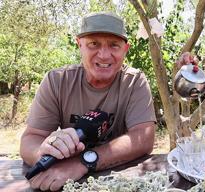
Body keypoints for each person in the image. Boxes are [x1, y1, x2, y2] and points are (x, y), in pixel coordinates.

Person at [20, 12, 156, 191]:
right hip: (64, 180)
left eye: (114, 45)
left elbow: (143, 138)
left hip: (120, 182)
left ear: (125, 49)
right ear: (80, 45)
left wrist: (83, 162)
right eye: (94, 44)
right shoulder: (56, 80)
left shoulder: (134, 81)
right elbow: (30, 139)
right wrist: (43, 153)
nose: (104, 55)